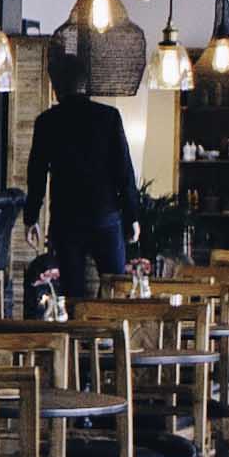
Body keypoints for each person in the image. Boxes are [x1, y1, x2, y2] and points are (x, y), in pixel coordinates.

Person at [30, 55, 143, 291]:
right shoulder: (109, 117)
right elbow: (124, 171)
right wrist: (132, 215)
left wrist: (31, 217)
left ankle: (75, 317)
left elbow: (37, 174)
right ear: (85, 85)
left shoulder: (47, 122)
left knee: (73, 295)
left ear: (57, 87)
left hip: (66, 219)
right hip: (105, 215)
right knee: (114, 290)